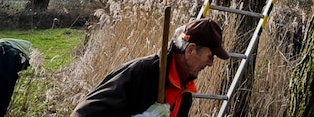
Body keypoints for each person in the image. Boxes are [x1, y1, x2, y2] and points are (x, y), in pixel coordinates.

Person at [70, 18, 230, 117]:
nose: (211, 63)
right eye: (210, 56)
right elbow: (82, 114)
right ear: (190, 50)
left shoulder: (185, 92)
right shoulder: (142, 73)